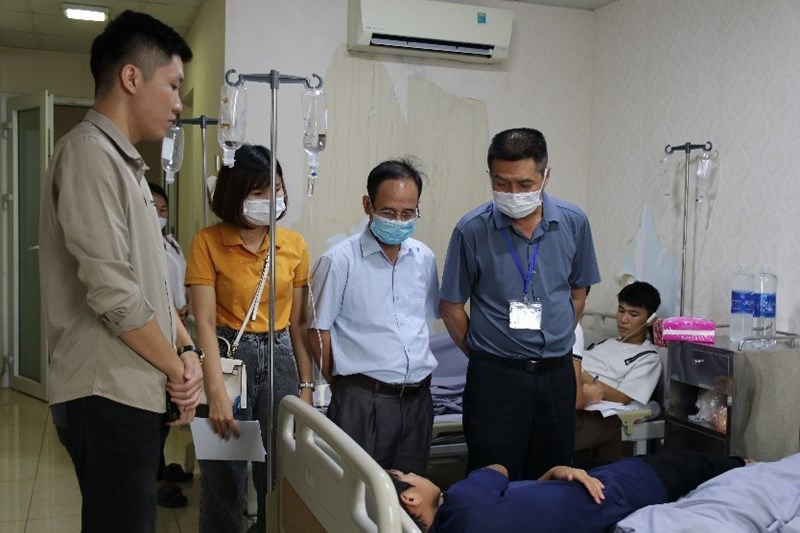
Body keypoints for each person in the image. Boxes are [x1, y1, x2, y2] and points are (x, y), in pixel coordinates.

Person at [38, 11, 203, 533]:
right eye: (173, 86)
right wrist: (178, 372)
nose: (178, 104)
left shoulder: (129, 167)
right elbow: (114, 295)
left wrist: (188, 351)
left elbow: (150, 286)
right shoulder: (88, 155)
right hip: (105, 392)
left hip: (133, 388)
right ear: (132, 77)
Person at [439, 128, 601, 480]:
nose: (513, 194)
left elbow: (578, 293)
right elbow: (450, 306)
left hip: (556, 376)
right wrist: (484, 354)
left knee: (555, 475)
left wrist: (557, 337)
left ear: (546, 176)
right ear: (490, 177)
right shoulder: (472, 230)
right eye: (502, 183)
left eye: (525, 184)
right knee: (491, 479)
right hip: (495, 379)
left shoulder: (573, 223)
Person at [186, 144, 314, 533]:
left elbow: (299, 325)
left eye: (277, 188)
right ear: (234, 193)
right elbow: (204, 322)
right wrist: (216, 391)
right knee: (225, 475)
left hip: (280, 357)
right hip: (227, 357)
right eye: (259, 192)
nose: (271, 199)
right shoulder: (207, 242)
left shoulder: (293, 245)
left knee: (277, 473)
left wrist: (307, 386)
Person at [308, 158, 440, 475]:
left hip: (418, 401)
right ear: (368, 205)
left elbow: (422, 321)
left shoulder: (424, 258)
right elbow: (317, 331)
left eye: (408, 213)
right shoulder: (339, 261)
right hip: (363, 399)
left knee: (411, 494)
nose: (398, 221)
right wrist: (345, 387)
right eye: (389, 212)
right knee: (357, 493)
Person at [390, 449, 748, 532]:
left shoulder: (464, 521)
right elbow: (498, 469)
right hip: (622, 488)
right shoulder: (461, 502)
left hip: (598, 494)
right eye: (408, 474)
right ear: (410, 498)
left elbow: (521, 510)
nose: (416, 473)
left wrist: (554, 473)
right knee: (703, 465)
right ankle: (751, 465)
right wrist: (453, 492)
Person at [574, 281, 662, 464]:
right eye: (621, 311)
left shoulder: (648, 357)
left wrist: (580, 374)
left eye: (633, 314)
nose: (623, 319)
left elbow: (622, 397)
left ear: (650, 320)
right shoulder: (603, 343)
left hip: (588, 405)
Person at [148, 182, 195, 508]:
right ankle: (155, 480)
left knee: (167, 411)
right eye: (152, 208)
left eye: (163, 209)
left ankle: (161, 466)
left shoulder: (170, 243)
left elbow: (178, 285)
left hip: (176, 331)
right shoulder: (140, 248)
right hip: (155, 339)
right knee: (156, 414)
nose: (159, 215)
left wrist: (185, 307)